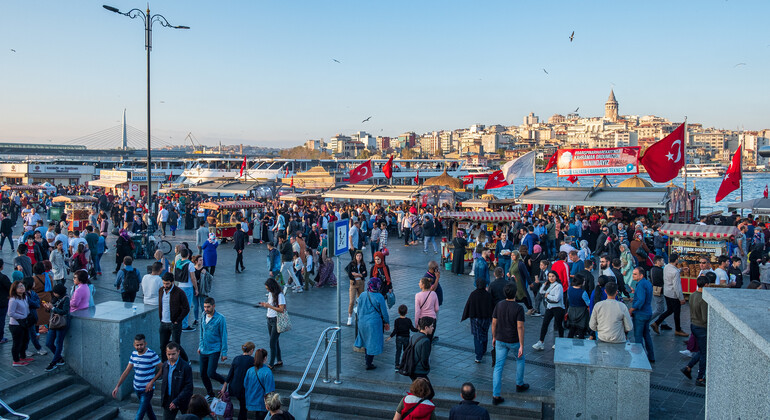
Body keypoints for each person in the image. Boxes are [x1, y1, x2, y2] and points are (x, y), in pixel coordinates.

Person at [112, 334, 163, 420]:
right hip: (137, 389)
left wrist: (152, 381)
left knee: (139, 416)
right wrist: (117, 386)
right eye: (137, 345)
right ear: (134, 345)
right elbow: (126, 371)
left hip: (147, 391)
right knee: (149, 411)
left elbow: (163, 368)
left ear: (145, 343)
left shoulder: (151, 354)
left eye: (141, 344)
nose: (139, 347)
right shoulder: (134, 354)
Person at [354, 277, 390, 370]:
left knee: (366, 341)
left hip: (362, 322)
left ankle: (367, 360)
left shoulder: (362, 295)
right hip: (374, 323)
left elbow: (358, 309)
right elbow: (384, 312)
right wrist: (386, 322)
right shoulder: (379, 297)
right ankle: (369, 363)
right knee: (372, 342)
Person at [196, 297, 228, 400]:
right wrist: (200, 346)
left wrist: (224, 352)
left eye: (208, 307)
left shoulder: (220, 318)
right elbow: (201, 332)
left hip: (214, 349)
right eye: (205, 307)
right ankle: (210, 394)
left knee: (210, 372)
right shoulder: (203, 315)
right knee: (202, 373)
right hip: (204, 349)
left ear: (213, 306)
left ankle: (225, 382)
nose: (206, 309)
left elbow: (224, 335)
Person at [153, 341, 193, 420]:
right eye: (169, 354)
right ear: (166, 353)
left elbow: (188, 387)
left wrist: (177, 400)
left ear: (178, 352)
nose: (171, 357)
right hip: (169, 400)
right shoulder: (165, 365)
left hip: (183, 400)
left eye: (173, 354)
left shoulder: (185, 367)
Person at [680, 276, 708, 387]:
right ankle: (700, 378)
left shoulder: (693, 295)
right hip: (702, 327)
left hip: (694, 325)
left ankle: (688, 367)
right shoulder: (703, 299)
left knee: (702, 351)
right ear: (706, 285)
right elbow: (705, 318)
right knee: (704, 354)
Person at [651, 253, 688, 337]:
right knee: (676, 313)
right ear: (676, 260)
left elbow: (672, 272)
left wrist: (681, 269)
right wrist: (681, 298)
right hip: (674, 294)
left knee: (670, 310)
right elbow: (677, 287)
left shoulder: (666, 267)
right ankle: (678, 329)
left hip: (667, 293)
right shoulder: (675, 272)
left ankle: (657, 323)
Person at [159, 272, 190, 363]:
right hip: (163, 323)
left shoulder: (179, 292)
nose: (165, 285)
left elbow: (186, 308)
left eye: (167, 283)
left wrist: (177, 320)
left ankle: (185, 361)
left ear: (172, 282)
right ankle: (165, 365)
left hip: (174, 323)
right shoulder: (161, 290)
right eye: (164, 283)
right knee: (163, 346)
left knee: (176, 346)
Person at [461, 279, 493, 363]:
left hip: (475, 318)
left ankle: (478, 356)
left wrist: (466, 315)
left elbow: (468, 305)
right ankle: (484, 350)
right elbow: (491, 307)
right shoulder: (488, 295)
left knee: (477, 336)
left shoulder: (473, 294)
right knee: (485, 333)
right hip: (486, 318)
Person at [222, 342, 256, 420]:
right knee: (243, 409)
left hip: (233, 387)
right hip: (243, 389)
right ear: (251, 350)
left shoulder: (236, 358)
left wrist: (224, 388)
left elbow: (230, 375)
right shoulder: (252, 360)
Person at [532, 271, 565, 351]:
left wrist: (548, 296)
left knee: (559, 325)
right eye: (549, 276)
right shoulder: (549, 285)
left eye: (552, 276)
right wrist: (544, 284)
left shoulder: (558, 286)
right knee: (545, 324)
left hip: (558, 308)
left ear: (556, 277)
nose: (551, 278)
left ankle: (560, 341)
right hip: (550, 307)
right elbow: (541, 292)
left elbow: (557, 298)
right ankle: (541, 342)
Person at [629, 267, 655, 362]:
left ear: (641, 275)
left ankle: (640, 358)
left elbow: (641, 300)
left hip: (640, 314)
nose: (633, 275)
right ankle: (651, 356)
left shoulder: (640, 285)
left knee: (638, 336)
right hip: (647, 312)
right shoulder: (647, 283)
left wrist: (632, 308)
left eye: (635, 274)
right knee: (646, 335)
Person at [258, 278, 285, 368]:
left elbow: (281, 309)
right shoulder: (271, 294)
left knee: (272, 343)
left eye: (268, 288)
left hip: (276, 320)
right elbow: (271, 305)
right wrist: (265, 305)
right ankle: (279, 360)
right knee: (275, 341)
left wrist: (269, 306)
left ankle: (271, 363)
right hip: (269, 319)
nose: (267, 290)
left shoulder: (279, 295)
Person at [42, 284, 69, 371]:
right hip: (53, 322)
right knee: (49, 343)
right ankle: (59, 358)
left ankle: (54, 362)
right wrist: (47, 308)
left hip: (61, 323)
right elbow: (51, 309)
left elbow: (65, 311)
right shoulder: (54, 298)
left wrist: (53, 308)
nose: (54, 294)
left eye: (55, 293)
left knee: (58, 343)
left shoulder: (66, 299)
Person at [243, 348, 274, 420]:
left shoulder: (250, 370)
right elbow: (269, 390)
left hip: (251, 401)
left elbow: (245, 385)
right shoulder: (267, 372)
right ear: (265, 358)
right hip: (262, 404)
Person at [410, 317, 436, 399]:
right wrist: (426, 368)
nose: (433, 328)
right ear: (426, 328)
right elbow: (424, 359)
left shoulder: (414, 336)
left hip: (411, 369)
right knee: (429, 393)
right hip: (420, 371)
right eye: (431, 326)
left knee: (419, 391)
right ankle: (423, 409)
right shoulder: (426, 341)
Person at [387, 304, 418, 371]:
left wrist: (390, 336)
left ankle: (397, 366)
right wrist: (418, 329)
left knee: (398, 351)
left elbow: (395, 330)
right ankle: (405, 365)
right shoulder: (408, 320)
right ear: (406, 312)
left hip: (399, 338)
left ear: (398, 312)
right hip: (406, 338)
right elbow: (412, 329)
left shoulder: (397, 321)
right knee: (406, 352)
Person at [175, 249, 199, 332]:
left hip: (179, 286)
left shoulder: (177, 263)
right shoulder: (190, 264)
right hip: (188, 287)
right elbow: (193, 278)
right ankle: (184, 325)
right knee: (186, 307)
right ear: (188, 255)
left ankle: (179, 323)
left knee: (180, 307)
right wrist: (196, 288)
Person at [8, 280, 30, 366]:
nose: (22, 287)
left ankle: (23, 357)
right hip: (16, 325)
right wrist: (22, 316)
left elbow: (26, 309)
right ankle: (16, 360)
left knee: (25, 340)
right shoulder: (13, 299)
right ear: (14, 289)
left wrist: (27, 316)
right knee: (17, 342)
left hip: (24, 323)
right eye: (19, 286)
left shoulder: (25, 297)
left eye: (22, 286)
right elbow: (10, 313)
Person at [345, 250, 367, 326]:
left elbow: (365, 274)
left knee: (360, 301)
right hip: (353, 284)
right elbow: (350, 275)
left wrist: (357, 274)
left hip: (361, 283)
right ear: (355, 256)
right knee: (352, 301)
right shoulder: (351, 264)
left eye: (360, 256)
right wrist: (360, 274)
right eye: (357, 256)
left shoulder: (363, 264)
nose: (359, 257)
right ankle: (349, 317)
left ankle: (358, 316)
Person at [414, 277, 439, 342]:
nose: (418, 283)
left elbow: (417, 311)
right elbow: (437, 308)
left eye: (420, 282)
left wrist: (416, 323)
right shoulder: (433, 294)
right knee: (429, 341)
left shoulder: (418, 295)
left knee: (422, 340)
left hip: (422, 321)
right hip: (432, 320)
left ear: (423, 285)